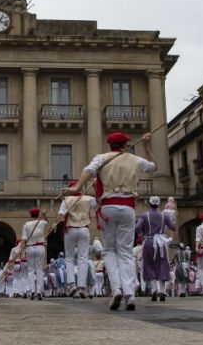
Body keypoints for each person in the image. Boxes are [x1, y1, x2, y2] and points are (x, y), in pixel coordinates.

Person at [64, 132, 156, 311]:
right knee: (126, 251)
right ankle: (130, 295)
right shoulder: (135, 160)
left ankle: (116, 290)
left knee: (109, 250)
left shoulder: (102, 158)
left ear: (110, 146)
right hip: (128, 207)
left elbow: (88, 170)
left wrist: (76, 187)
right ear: (125, 144)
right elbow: (154, 167)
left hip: (108, 207)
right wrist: (146, 146)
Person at [57, 180, 97, 298]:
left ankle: (72, 284)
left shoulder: (66, 200)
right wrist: (95, 187)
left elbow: (61, 215)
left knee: (69, 258)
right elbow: (99, 204)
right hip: (84, 229)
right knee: (83, 258)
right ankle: (81, 287)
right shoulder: (88, 199)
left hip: (70, 229)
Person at [136, 196, 176, 302]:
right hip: (162, 242)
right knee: (163, 264)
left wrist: (141, 235)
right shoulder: (165, 215)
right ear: (158, 204)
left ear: (150, 204)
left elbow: (137, 227)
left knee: (149, 265)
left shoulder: (145, 215)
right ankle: (162, 292)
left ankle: (154, 290)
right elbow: (173, 228)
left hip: (149, 241)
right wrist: (173, 219)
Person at [21, 208, 48, 300]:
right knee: (39, 270)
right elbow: (47, 222)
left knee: (30, 270)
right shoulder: (42, 222)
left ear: (30, 215)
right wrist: (44, 215)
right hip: (40, 247)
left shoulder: (26, 224)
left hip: (29, 247)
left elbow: (23, 239)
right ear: (38, 214)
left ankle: (32, 290)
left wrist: (22, 251)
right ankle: (40, 291)